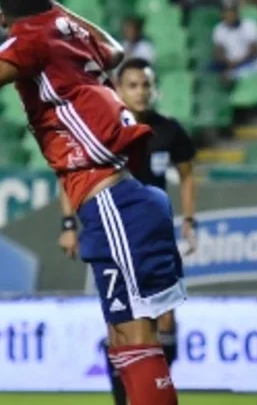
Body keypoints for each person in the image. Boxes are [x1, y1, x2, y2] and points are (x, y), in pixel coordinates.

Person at [0, 0, 182, 405]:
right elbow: (116, 52)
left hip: (113, 197)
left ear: (4, 16)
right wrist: (55, 10)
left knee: (137, 330)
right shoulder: (67, 31)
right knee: (122, 333)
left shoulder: (31, 39)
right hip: (109, 200)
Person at [79, 57, 198, 405]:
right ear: (117, 89)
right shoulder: (104, 130)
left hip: (155, 234)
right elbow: (76, 174)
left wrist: (189, 221)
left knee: (166, 318)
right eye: (132, 85)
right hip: (115, 231)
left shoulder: (169, 131)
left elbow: (188, 174)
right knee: (120, 322)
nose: (141, 92)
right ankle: (126, 398)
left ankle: (156, 389)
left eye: (145, 84)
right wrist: (69, 224)